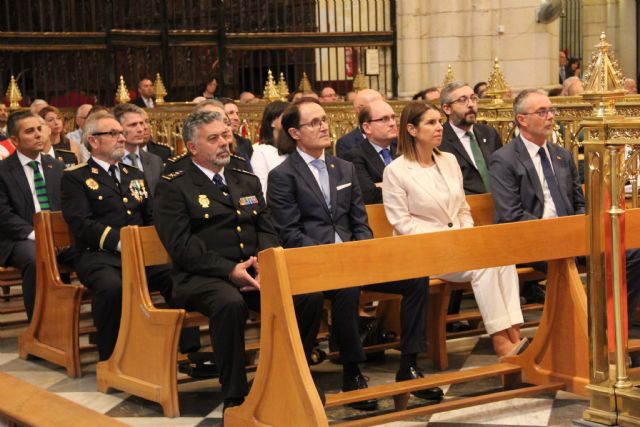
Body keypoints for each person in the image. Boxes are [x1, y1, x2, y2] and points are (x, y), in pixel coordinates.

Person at [267, 99, 442, 411]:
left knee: (415, 277)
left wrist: (361, 251)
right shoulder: (284, 175)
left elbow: (359, 221)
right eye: (314, 122)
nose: (324, 126)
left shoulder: (342, 167)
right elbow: (290, 232)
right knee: (346, 287)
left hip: (354, 256)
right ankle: (352, 371)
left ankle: (410, 363)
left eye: (324, 120)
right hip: (315, 262)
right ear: (294, 132)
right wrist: (334, 257)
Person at [153, 110, 323, 413]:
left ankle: (292, 375)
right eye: (213, 138)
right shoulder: (174, 184)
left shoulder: (242, 176)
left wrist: (264, 260)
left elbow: (266, 225)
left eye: (226, 135)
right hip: (202, 276)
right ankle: (235, 395)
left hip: (253, 269)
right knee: (229, 304)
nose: (224, 143)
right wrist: (229, 270)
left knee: (307, 296)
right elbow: (181, 245)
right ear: (192, 147)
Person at [490, 88, 640, 337]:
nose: (550, 117)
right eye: (542, 111)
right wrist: (557, 233)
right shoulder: (504, 159)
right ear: (522, 120)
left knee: (632, 253)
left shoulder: (561, 155)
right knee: (566, 259)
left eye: (551, 110)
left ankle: (611, 321)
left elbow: (579, 202)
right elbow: (511, 214)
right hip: (530, 239)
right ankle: (584, 328)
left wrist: (582, 227)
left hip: (571, 236)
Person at [382, 101, 526, 358]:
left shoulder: (448, 160)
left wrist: (465, 236)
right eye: (431, 123)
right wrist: (446, 241)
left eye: (439, 121)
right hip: (422, 251)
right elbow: (401, 222)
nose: (439, 128)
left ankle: (514, 333)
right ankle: (501, 342)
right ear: (412, 130)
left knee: (503, 260)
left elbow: (462, 208)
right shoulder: (396, 171)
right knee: (484, 267)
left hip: (459, 245)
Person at [61, 111, 172, 361]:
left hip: (140, 255)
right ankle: (111, 358)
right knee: (112, 287)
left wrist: (154, 244)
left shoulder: (134, 175)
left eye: (121, 133)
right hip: (99, 256)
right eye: (113, 133)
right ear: (93, 141)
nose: (121, 138)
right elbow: (81, 223)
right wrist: (121, 243)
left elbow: (150, 215)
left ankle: (185, 351)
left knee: (177, 276)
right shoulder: (76, 177)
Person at [0, 111, 74, 321]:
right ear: (14, 139)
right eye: (30, 131)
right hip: (20, 238)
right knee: (36, 258)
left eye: (40, 129)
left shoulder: (57, 167)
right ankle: (41, 328)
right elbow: (4, 215)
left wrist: (59, 235)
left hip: (58, 236)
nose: (38, 135)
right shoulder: (3, 171)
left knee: (92, 253)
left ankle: (90, 321)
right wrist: (39, 235)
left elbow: (67, 206)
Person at [440, 82, 502, 195]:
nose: (471, 104)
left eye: (473, 98)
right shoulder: (439, 140)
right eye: (463, 100)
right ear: (447, 108)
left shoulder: (489, 133)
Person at [340, 99, 397, 204]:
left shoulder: (403, 150)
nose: (392, 123)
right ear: (367, 127)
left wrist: (381, 185)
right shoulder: (355, 156)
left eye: (393, 117)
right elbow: (370, 196)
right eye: (384, 119)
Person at [112, 104, 164, 194]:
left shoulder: (155, 161)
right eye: (133, 125)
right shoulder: (111, 161)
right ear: (118, 128)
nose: (141, 129)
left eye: (141, 123)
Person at [250, 100, 289, 197]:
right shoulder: (260, 150)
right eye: (286, 117)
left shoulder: (295, 148)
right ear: (272, 122)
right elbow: (262, 188)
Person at [335, 88, 383, 158]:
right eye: (376, 106)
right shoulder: (346, 143)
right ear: (360, 110)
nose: (383, 111)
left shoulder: (394, 139)